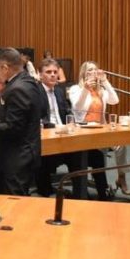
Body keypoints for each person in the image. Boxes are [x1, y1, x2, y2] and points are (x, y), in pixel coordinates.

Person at [0, 49, 45, 196]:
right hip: (25, 153)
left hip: (17, 157)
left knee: (13, 203)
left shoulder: (17, 88)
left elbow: (13, 128)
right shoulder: (27, 81)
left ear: (5, 68)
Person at [63, 61, 116, 200]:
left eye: (95, 70)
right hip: (82, 130)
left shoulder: (101, 91)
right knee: (87, 159)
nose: (93, 73)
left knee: (100, 158)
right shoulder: (76, 89)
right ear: (84, 73)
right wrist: (86, 89)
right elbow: (77, 106)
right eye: (90, 70)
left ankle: (103, 194)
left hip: (99, 130)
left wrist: (105, 81)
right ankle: (82, 193)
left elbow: (115, 100)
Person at [35, 57, 79, 198]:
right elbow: (39, 118)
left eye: (55, 72)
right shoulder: (35, 91)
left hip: (64, 135)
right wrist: (56, 127)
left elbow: (67, 110)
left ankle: (80, 193)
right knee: (43, 160)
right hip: (46, 138)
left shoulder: (60, 90)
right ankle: (45, 192)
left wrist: (71, 122)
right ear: (40, 74)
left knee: (80, 154)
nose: (53, 75)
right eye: (48, 72)